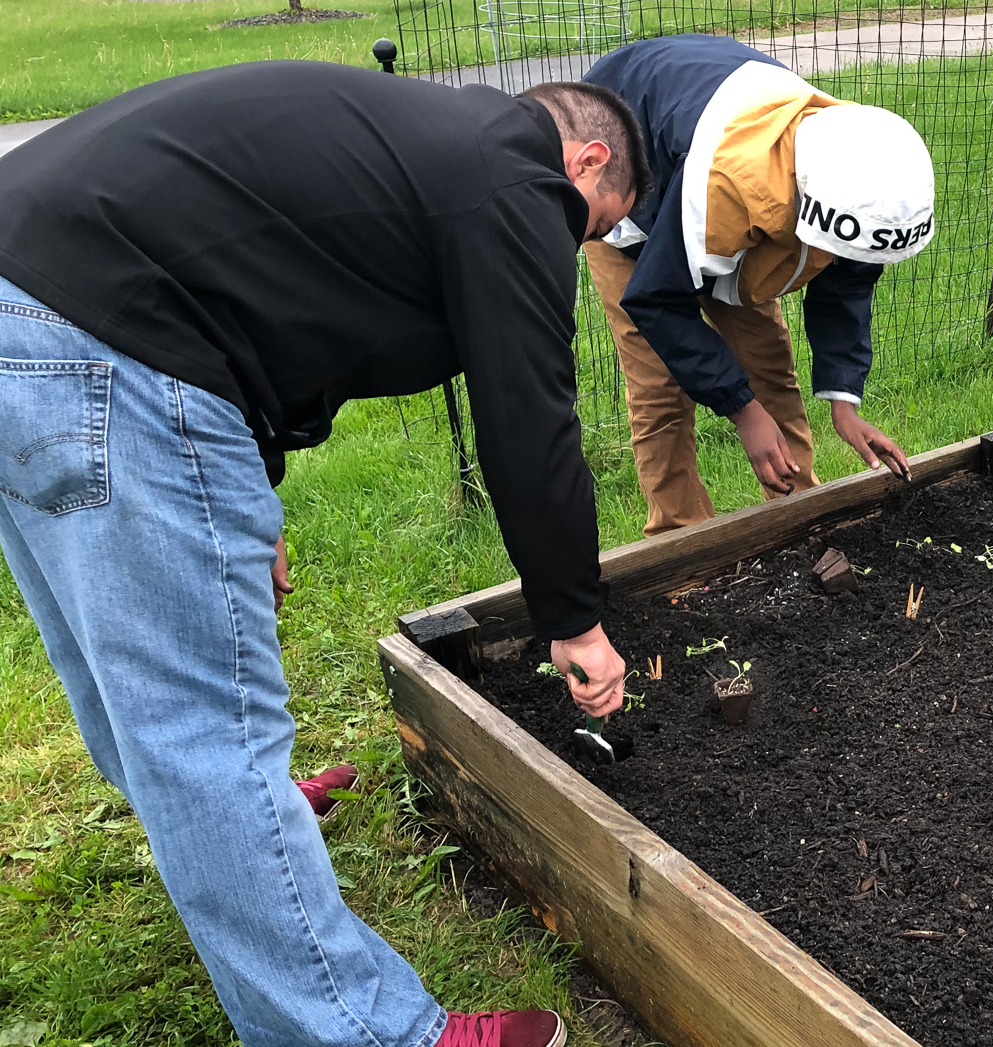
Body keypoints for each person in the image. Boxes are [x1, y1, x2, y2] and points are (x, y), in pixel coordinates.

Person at [0, 61, 650, 1047]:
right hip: (102, 332)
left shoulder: (416, 147)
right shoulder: (514, 176)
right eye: (599, 222)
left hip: (32, 298)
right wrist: (573, 617)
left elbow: (257, 295)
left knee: (119, 669)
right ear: (585, 160)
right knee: (202, 737)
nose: (583, 243)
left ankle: (235, 824)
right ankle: (363, 1029)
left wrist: (242, 497)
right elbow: (529, 415)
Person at [580, 34, 936, 536]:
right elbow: (658, 300)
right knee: (660, 385)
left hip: (711, 177)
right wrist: (742, 412)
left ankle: (797, 522)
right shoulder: (732, 187)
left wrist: (844, 402)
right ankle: (680, 545)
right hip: (632, 194)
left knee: (768, 365)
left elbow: (848, 281)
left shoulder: (861, 176)